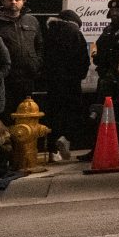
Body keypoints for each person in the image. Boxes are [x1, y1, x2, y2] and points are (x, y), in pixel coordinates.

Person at [41, 10, 90, 156]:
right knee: (73, 113)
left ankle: (51, 150)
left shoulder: (50, 32)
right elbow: (83, 59)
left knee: (54, 113)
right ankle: (65, 139)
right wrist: (79, 75)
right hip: (71, 82)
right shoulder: (75, 32)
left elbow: (43, 56)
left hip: (53, 81)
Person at [0, 0, 44, 122]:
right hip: (5, 79)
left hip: (27, 77)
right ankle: (5, 143)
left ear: (23, 1)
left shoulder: (32, 21)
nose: (13, 2)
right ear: (2, 1)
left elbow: (39, 45)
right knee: (5, 116)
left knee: (25, 117)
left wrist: (37, 63)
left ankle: (22, 143)